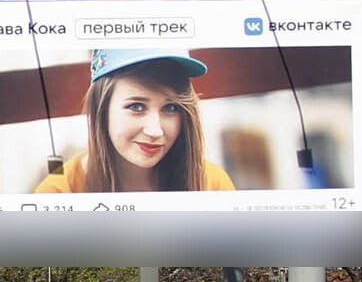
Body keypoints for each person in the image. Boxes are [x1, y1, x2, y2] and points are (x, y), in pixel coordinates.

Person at [35, 49, 235, 193]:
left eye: (171, 108)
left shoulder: (212, 184)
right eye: (136, 107)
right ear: (101, 109)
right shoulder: (58, 192)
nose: (155, 131)